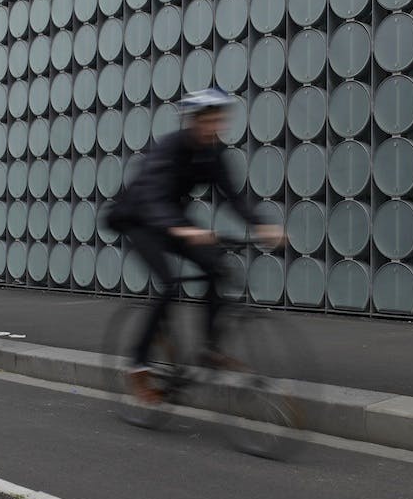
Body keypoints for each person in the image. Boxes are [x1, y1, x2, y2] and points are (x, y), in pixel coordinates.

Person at [105, 88, 284, 403]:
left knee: (216, 267)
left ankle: (209, 350)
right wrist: (182, 230)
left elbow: (234, 198)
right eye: (208, 119)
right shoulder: (170, 148)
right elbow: (151, 194)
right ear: (194, 121)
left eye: (219, 119)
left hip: (175, 222)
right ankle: (138, 362)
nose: (214, 125)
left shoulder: (214, 155)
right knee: (170, 285)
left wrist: (262, 226)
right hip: (139, 219)